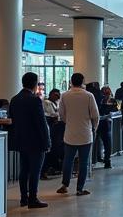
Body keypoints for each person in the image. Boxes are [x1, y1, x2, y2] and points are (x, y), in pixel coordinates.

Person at [8, 72, 50, 209]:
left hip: (21, 140)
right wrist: (47, 141)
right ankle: (33, 198)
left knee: (24, 169)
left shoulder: (14, 99)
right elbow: (41, 123)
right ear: (35, 84)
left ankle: (23, 198)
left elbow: (12, 120)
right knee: (35, 171)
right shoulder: (34, 100)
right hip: (36, 141)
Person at [57, 73, 99, 195]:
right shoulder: (89, 96)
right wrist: (94, 128)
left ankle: (65, 185)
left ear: (71, 81)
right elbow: (95, 115)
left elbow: (62, 114)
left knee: (68, 160)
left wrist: (69, 122)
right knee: (84, 162)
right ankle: (80, 188)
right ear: (83, 81)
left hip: (70, 133)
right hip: (86, 134)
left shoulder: (64, 95)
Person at [41, 88, 63, 179]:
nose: (57, 97)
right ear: (51, 94)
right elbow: (48, 114)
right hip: (50, 128)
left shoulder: (56, 103)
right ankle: (44, 170)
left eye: (58, 95)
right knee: (50, 151)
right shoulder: (46, 102)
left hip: (56, 129)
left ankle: (53, 167)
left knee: (55, 150)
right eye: (55, 95)